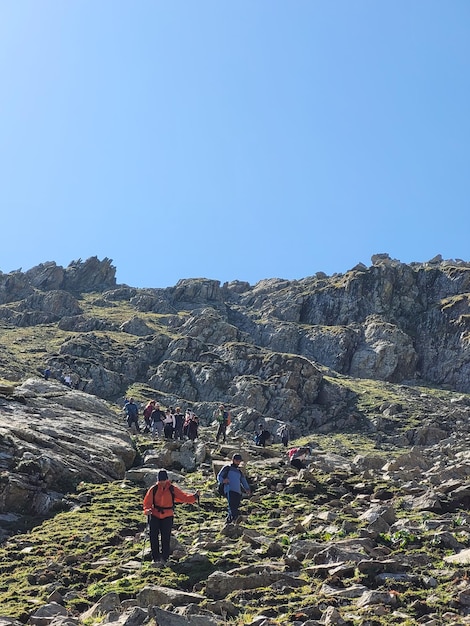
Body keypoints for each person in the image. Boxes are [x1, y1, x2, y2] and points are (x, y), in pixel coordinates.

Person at [143, 469, 199, 565]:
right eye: (160, 480)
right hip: (154, 515)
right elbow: (147, 502)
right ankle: (155, 558)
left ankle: (165, 558)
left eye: (163, 480)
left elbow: (183, 497)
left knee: (166, 537)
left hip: (168, 516)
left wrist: (194, 497)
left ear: (167, 479)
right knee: (153, 537)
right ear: (158, 480)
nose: (162, 482)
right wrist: (147, 510)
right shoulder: (154, 489)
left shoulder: (172, 489)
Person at [217, 453, 251, 524]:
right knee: (232, 505)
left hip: (238, 492)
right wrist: (223, 481)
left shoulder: (239, 471)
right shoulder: (227, 468)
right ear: (233, 460)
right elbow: (219, 476)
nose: (238, 462)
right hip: (229, 490)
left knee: (235, 506)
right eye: (237, 460)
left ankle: (229, 521)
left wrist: (247, 489)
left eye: (239, 461)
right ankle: (234, 518)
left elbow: (243, 481)